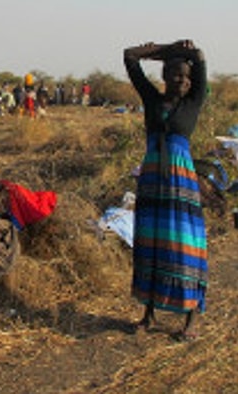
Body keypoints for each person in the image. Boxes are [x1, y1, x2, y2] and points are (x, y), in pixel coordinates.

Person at [124, 39, 208, 341]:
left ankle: (190, 320)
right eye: (176, 74)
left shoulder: (194, 101)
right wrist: (167, 47)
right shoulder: (152, 100)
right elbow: (130, 57)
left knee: (184, 245)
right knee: (151, 245)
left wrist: (186, 53)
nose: (183, 81)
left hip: (181, 182)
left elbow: (200, 61)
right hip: (152, 180)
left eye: (186, 76)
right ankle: (148, 314)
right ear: (164, 76)